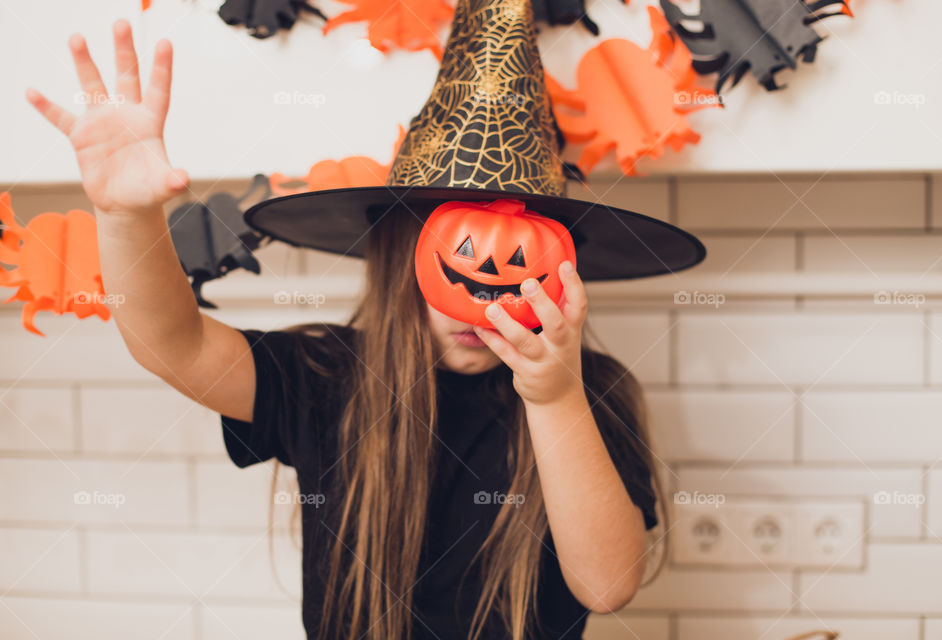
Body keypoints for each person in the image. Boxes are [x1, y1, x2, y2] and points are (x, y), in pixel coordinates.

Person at [26, 17, 669, 640]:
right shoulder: (326, 376)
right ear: (399, 259)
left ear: (558, 273)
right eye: (459, 267)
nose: (481, 305)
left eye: (514, 276)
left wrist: (555, 397)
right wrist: (126, 217)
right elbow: (173, 346)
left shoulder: (594, 395)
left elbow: (607, 585)